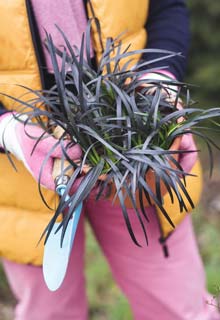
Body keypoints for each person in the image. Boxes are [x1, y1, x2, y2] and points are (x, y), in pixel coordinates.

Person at [0, 1, 219, 319]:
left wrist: (159, 91)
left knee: (179, 306)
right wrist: (12, 133)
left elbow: (165, 7)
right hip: (19, 175)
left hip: (133, 150)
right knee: (49, 311)